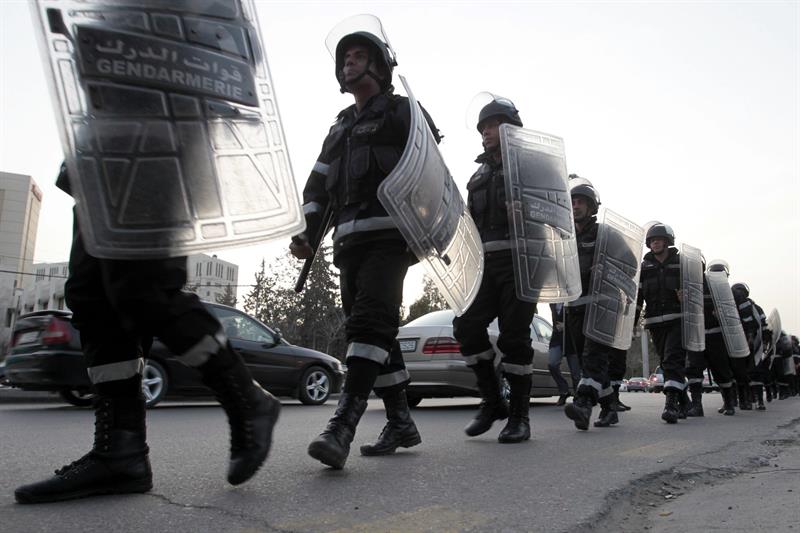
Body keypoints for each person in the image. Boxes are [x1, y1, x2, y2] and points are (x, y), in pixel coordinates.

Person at [15, 164, 281, 504]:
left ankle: (247, 400)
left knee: (144, 287)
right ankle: (121, 453)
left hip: (150, 153)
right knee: (92, 297)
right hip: (97, 167)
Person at [290, 18, 440, 468]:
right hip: (349, 242)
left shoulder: (402, 111)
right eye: (344, 59)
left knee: (369, 325)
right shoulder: (338, 128)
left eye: (356, 56)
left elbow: (430, 172)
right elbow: (318, 188)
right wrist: (307, 233)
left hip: (392, 239)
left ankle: (343, 426)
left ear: (378, 64)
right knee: (378, 334)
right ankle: (400, 420)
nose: (348, 64)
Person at [451, 96, 537, 443]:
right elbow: (469, 222)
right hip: (485, 265)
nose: (486, 131)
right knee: (466, 327)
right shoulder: (478, 174)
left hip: (521, 264)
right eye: (483, 127)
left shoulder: (533, 167)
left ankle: (519, 416)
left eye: (493, 124)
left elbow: (556, 218)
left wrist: (528, 211)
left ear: (511, 127)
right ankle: (493, 400)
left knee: (515, 338)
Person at [562, 177, 622, 430]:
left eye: (580, 202)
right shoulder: (563, 237)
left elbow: (628, 265)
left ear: (591, 207)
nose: (575, 206)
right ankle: (610, 407)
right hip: (574, 306)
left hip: (602, 306)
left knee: (593, 358)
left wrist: (605, 269)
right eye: (572, 202)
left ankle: (583, 405)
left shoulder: (606, 234)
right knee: (591, 363)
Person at [634, 223, 688, 424]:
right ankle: (684, 401)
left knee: (673, 360)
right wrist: (633, 322)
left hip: (677, 320)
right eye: (652, 240)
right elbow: (638, 296)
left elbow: (695, 290)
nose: (655, 242)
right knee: (666, 362)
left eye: (659, 239)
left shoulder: (682, 263)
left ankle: (671, 405)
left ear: (667, 242)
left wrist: (687, 296)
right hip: (654, 321)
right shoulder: (644, 268)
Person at [702, 260, 739, 415]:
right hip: (701, 334)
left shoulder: (731, 293)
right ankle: (694, 404)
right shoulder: (702, 289)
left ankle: (729, 403)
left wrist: (722, 315)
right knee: (695, 368)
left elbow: (736, 319)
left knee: (721, 369)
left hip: (719, 336)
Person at [547, 303, 581, 407]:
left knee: (575, 373)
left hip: (572, 339)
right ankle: (564, 391)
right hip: (557, 338)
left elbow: (579, 319)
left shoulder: (572, 299)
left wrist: (565, 326)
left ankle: (578, 396)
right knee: (552, 364)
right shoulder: (552, 301)